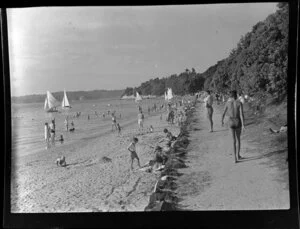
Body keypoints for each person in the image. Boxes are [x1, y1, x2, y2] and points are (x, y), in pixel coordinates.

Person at [221, 90, 245, 163]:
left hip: (231, 121)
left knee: (233, 141)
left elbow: (223, 112)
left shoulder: (227, 103)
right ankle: (238, 155)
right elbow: (241, 114)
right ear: (236, 95)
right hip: (237, 121)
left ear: (230, 96)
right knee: (238, 139)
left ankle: (235, 158)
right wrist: (243, 124)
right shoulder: (239, 103)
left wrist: (221, 120)